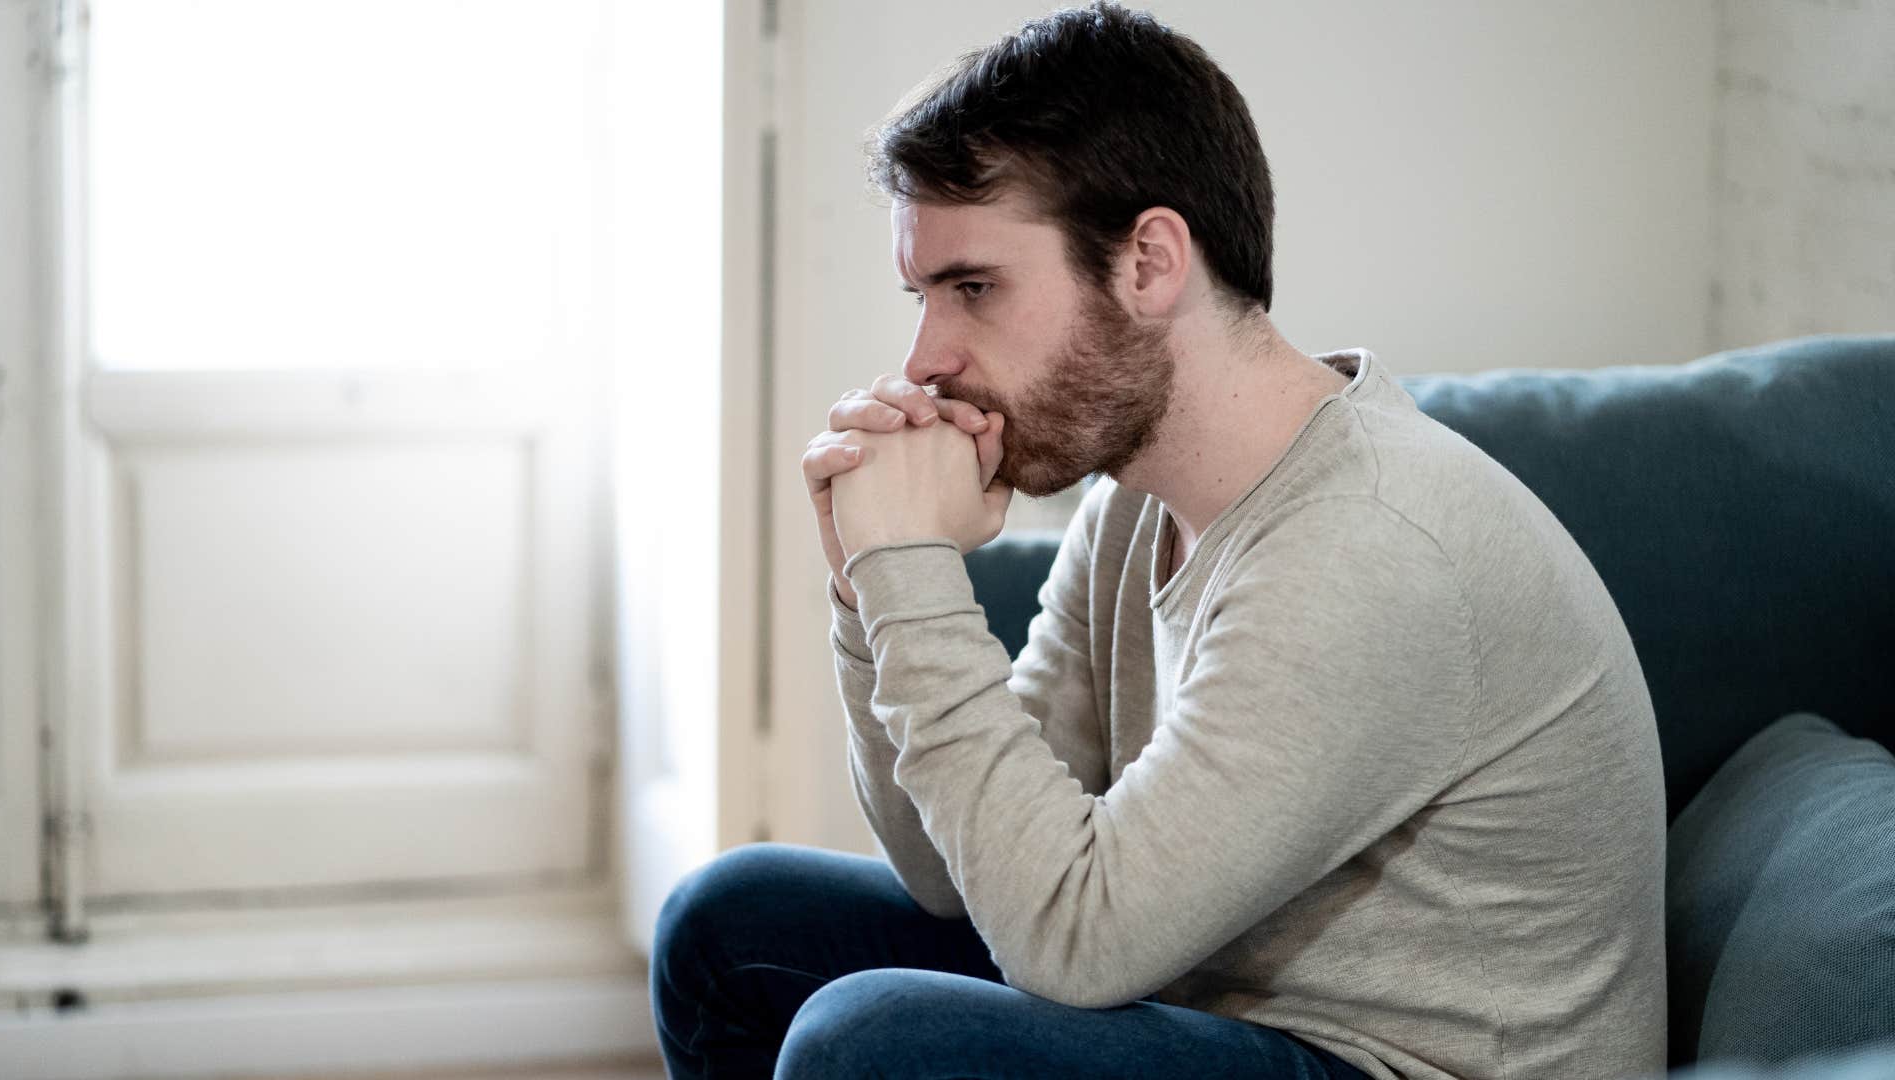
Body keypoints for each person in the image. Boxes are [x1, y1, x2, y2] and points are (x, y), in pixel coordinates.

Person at [651, 3, 1667, 1077]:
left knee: (871, 1045)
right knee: (731, 926)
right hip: (1220, 1009)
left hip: (1388, 1063)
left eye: (974, 289)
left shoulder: (1366, 545)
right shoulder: (1138, 503)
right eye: (922, 295)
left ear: (1149, 262)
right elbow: (956, 874)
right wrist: (871, 596)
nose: (927, 358)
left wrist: (912, 578)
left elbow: (1074, 942)